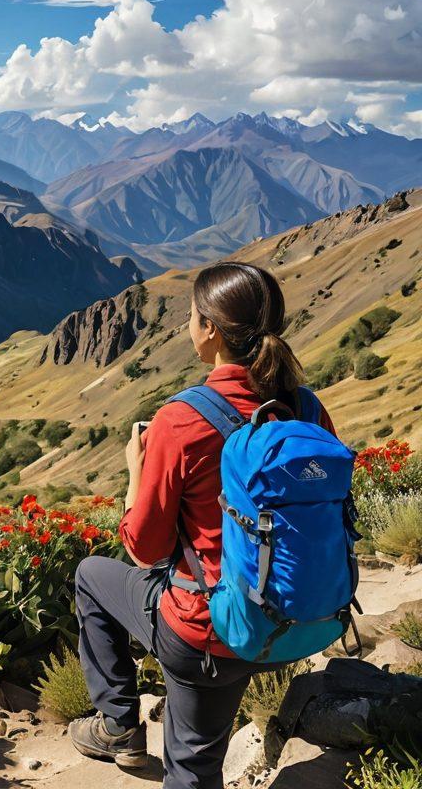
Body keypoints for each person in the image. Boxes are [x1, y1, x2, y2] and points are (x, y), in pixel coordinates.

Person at [69, 262, 336, 789]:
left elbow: (144, 548)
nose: (188, 325)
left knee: (90, 578)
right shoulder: (306, 407)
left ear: (209, 329)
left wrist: (135, 475)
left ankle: (119, 727)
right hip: (298, 619)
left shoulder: (182, 420)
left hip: (210, 633)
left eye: (192, 316)